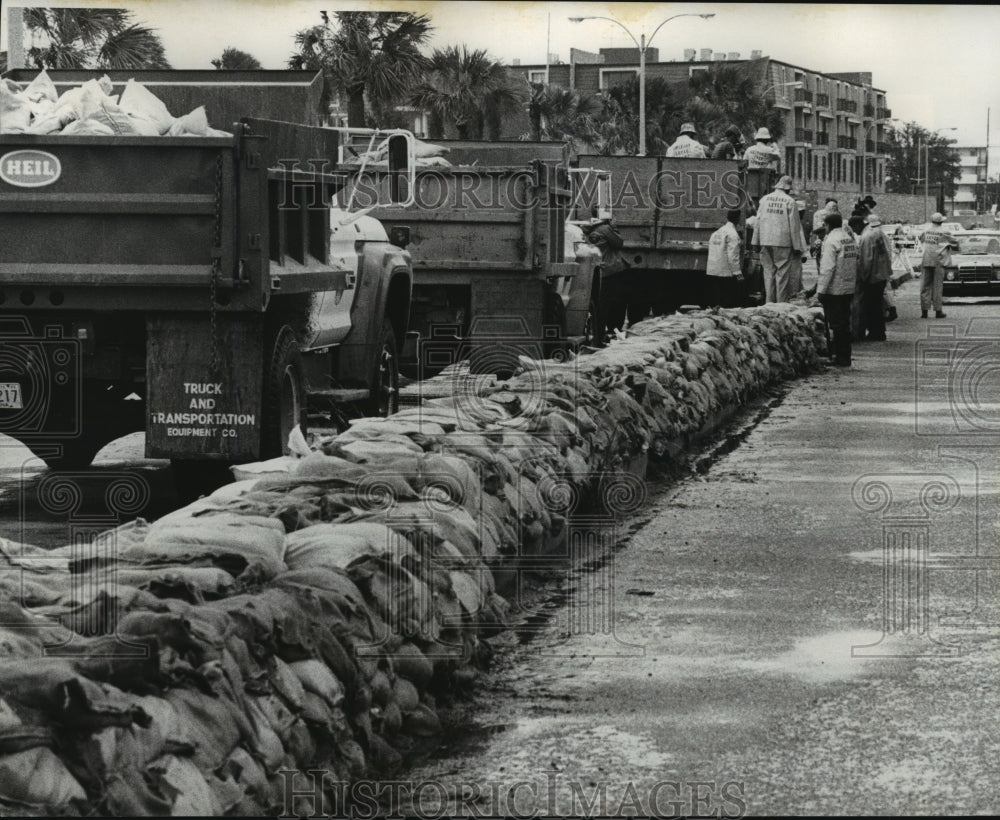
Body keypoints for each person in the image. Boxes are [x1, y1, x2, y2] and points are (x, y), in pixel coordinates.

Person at [751, 175, 805, 303]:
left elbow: (758, 221)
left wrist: (755, 241)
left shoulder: (764, 200)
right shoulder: (789, 201)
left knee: (768, 273)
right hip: (783, 241)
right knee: (782, 274)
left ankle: (769, 302)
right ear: (788, 188)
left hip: (765, 239)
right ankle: (780, 304)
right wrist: (797, 247)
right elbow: (794, 225)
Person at [817, 212, 858, 367]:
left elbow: (828, 268)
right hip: (848, 286)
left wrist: (821, 291)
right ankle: (845, 355)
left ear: (827, 225)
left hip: (834, 289)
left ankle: (840, 357)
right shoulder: (848, 238)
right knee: (845, 323)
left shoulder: (831, 241)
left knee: (836, 324)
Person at [856, 215, 893, 341]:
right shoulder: (882, 235)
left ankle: (875, 333)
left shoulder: (867, 236)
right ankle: (880, 331)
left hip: (872, 276)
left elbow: (866, 260)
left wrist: (863, 276)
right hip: (882, 274)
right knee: (878, 305)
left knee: (871, 306)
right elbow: (888, 254)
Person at [918, 212, 959, 318]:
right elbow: (955, 242)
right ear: (941, 221)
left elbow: (920, 239)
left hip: (926, 260)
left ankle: (924, 311)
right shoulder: (944, 231)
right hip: (939, 261)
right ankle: (938, 310)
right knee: (937, 287)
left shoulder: (926, 231)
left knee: (925, 286)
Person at [704, 208, 744, 308]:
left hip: (713, 271)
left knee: (715, 302)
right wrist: (738, 273)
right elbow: (733, 256)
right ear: (738, 219)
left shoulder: (717, 232)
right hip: (725, 273)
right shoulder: (733, 234)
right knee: (726, 303)